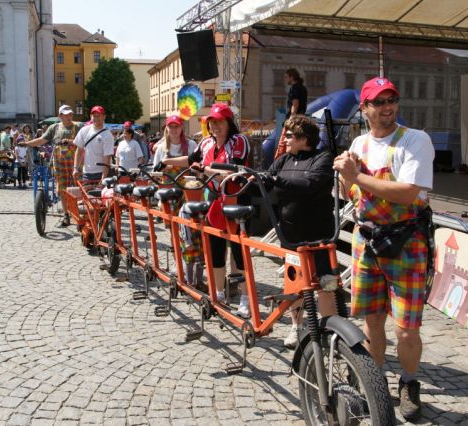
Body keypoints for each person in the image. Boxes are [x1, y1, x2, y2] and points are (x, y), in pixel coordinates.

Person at [333, 77, 434, 421]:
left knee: (406, 326)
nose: (387, 107)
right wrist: (345, 178)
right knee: (373, 319)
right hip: (368, 241)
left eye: (391, 99)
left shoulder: (416, 140)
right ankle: (374, 382)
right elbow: (351, 194)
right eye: (378, 102)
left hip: (406, 242)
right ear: (364, 109)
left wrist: (356, 177)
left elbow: (407, 192)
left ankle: (409, 382)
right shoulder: (359, 143)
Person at [161, 104, 251, 318]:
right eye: (211, 122)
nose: (214, 125)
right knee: (216, 250)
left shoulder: (239, 141)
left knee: (240, 255)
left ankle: (247, 299)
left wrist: (205, 170)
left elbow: (236, 169)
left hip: (237, 201)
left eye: (219, 121)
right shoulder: (206, 143)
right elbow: (191, 160)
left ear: (229, 123)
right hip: (214, 201)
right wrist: (166, 163)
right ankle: (217, 294)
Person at [265, 115, 337, 348]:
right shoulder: (284, 160)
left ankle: (330, 331)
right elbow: (266, 180)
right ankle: (296, 328)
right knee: (294, 284)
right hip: (291, 235)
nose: (284, 139)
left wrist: (278, 181)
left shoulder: (323, 158)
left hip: (320, 236)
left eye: (289, 135)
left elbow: (310, 185)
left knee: (326, 284)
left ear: (304, 138)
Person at [153, 114, 201, 285]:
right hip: (169, 193)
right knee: (173, 228)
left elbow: (197, 169)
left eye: (177, 126)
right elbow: (157, 174)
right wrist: (159, 197)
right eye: (170, 127)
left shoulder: (191, 146)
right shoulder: (161, 149)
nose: (173, 130)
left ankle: (193, 264)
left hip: (188, 191)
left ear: (182, 128)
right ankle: (177, 261)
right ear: (166, 128)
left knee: (189, 228)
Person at [27, 105, 83, 227]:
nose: (69, 116)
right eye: (66, 114)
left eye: (70, 114)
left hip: (75, 163)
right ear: (60, 116)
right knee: (61, 189)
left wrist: (71, 141)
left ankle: (78, 214)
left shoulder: (78, 126)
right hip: (59, 162)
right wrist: (27, 143)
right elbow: (42, 140)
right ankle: (66, 215)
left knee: (77, 188)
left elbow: (85, 141)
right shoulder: (54, 127)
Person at [73, 105, 114, 183]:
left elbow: (107, 158)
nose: (96, 118)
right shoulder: (84, 130)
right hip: (86, 173)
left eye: (99, 116)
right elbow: (79, 151)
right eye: (94, 116)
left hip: (100, 173)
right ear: (90, 117)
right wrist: (75, 168)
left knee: (99, 195)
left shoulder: (107, 135)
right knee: (85, 195)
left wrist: (103, 177)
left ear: (104, 117)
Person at [274, 68, 308, 159]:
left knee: (283, 144)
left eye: (286, 77)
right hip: (300, 120)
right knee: (295, 143)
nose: (285, 79)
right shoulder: (303, 88)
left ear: (291, 77)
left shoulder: (295, 88)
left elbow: (295, 104)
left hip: (293, 120)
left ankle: (278, 163)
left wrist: (291, 119)